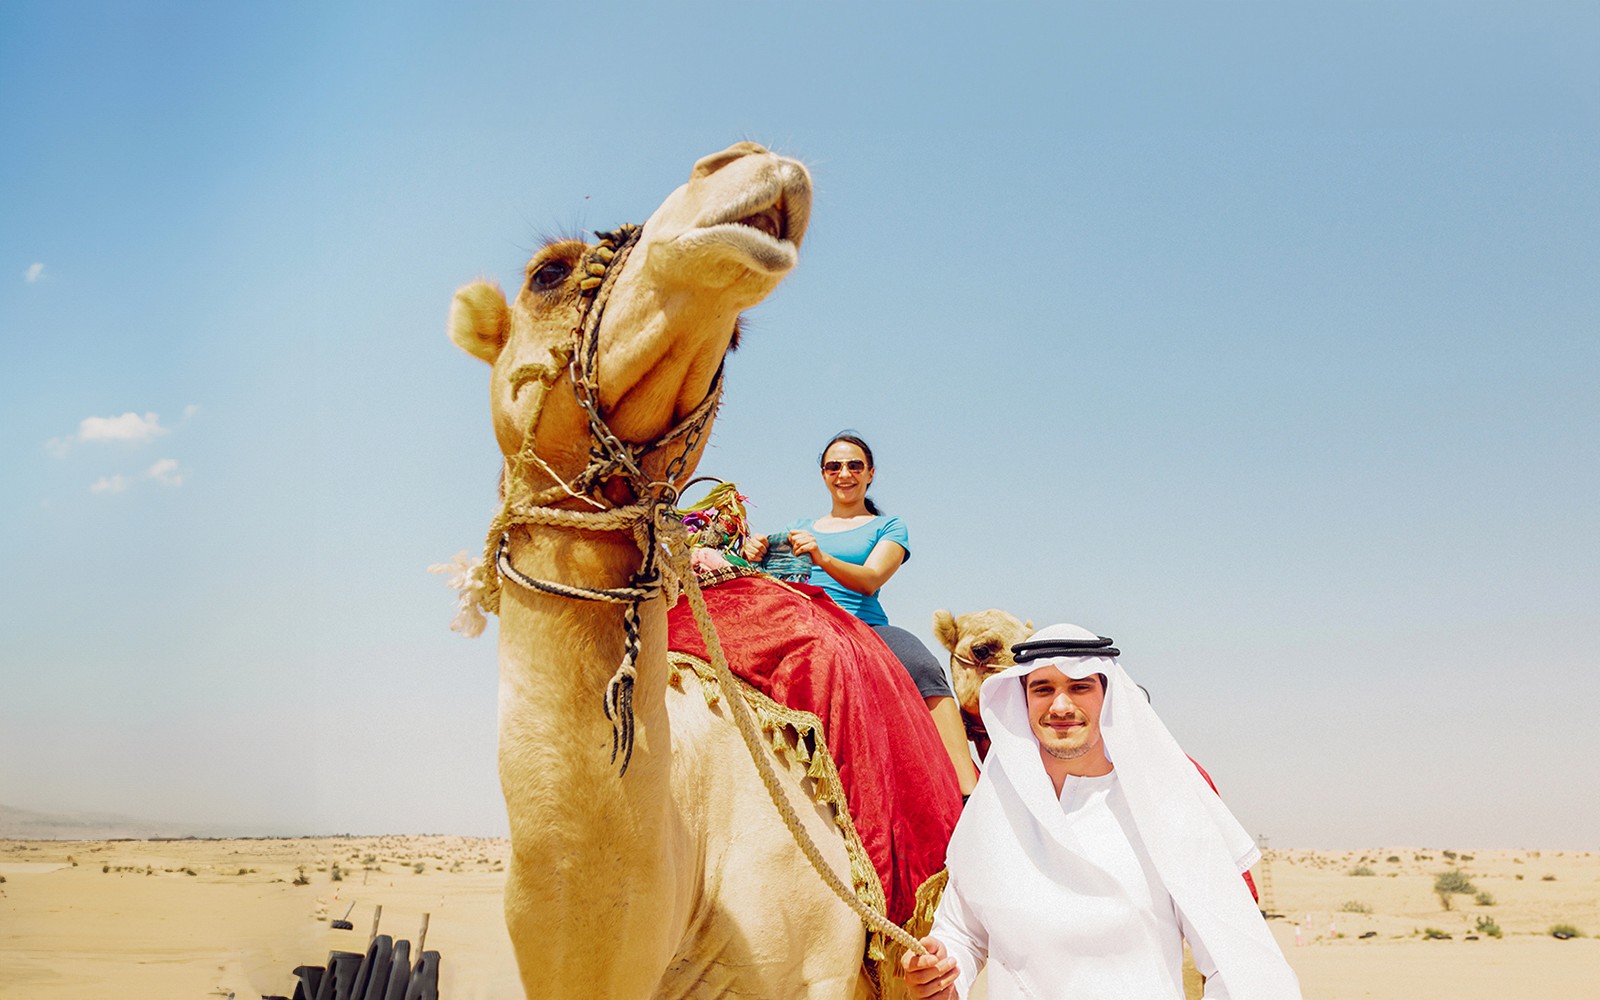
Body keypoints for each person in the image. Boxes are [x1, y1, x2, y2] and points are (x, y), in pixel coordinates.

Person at [901, 623, 1301, 1000]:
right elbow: (962, 934)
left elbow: (1244, 969)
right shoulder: (994, 808)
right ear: (1023, 701)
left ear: (1107, 698)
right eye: (1043, 689)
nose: (1060, 705)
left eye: (1079, 687)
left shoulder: (1163, 808)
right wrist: (942, 976)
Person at [742, 432, 979, 796]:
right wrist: (755, 554)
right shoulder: (798, 528)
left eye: (854, 465)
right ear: (823, 474)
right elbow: (777, 578)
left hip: (864, 625)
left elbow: (871, 579)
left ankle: (968, 790)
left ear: (870, 473)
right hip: (806, 621)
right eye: (834, 467)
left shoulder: (888, 527)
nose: (844, 474)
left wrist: (821, 557)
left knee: (922, 666)